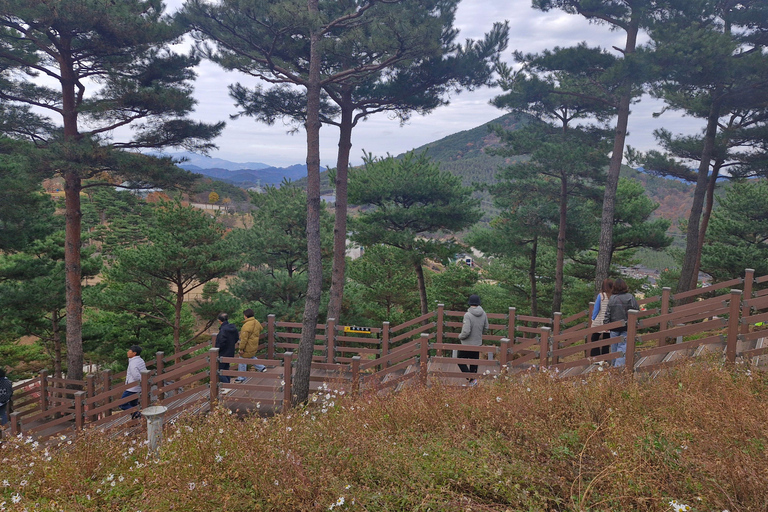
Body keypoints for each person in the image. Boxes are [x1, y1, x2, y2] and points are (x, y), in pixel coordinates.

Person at [604, 278, 639, 367]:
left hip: (614, 327)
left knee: (614, 348)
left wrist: (606, 324)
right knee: (623, 348)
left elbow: (608, 313)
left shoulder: (612, 298)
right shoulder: (630, 297)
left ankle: (613, 366)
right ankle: (618, 367)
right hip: (627, 326)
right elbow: (636, 310)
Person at [457, 294, 489, 385]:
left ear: (470, 303)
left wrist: (460, 336)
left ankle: (471, 379)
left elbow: (466, 331)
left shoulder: (468, 315)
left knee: (459, 360)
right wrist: (479, 335)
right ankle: (473, 381)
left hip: (467, 343)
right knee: (474, 362)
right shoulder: (484, 314)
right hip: (477, 342)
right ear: (478, 303)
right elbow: (486, 328)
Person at [235, 308, 267, 382]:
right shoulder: (256, 322)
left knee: (242, 358)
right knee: (251, 356)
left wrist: (241, 348)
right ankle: (262, 368)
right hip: (254, 344)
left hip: (248, 345)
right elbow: (261, 328)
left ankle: (241, 378)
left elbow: (244, 339)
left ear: (246, 316)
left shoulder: (246, 326)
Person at [589, 278, 614, 358]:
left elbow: (596, 309)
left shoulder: (601, 296)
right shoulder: (614, 296)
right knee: (606, 341)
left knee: (594, 338)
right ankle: (604, 357)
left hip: (599, 320)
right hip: (610, 321)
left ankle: (595, 356)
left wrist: (593, 318)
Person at [121, 345, 146, 419]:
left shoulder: (133, 363)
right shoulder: (140, 360)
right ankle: (135, 421)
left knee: (122, 404)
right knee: (133, 404)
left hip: (132, 388)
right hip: (137, 387)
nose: (127, 352)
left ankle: (138, 415)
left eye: (129, 351)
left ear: (134, 353)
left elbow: (136, 376)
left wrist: (140, 382)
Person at [216, 312, 239, 383]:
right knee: (226, 369)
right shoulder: (233, 328)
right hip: (230, 351)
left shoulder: (223, 330)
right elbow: (236, 338)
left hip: (223, 352)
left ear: (219, 320)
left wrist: (217, 349)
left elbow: (221, 342)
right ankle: (227, 386)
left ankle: (227, 385)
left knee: (219, 371)